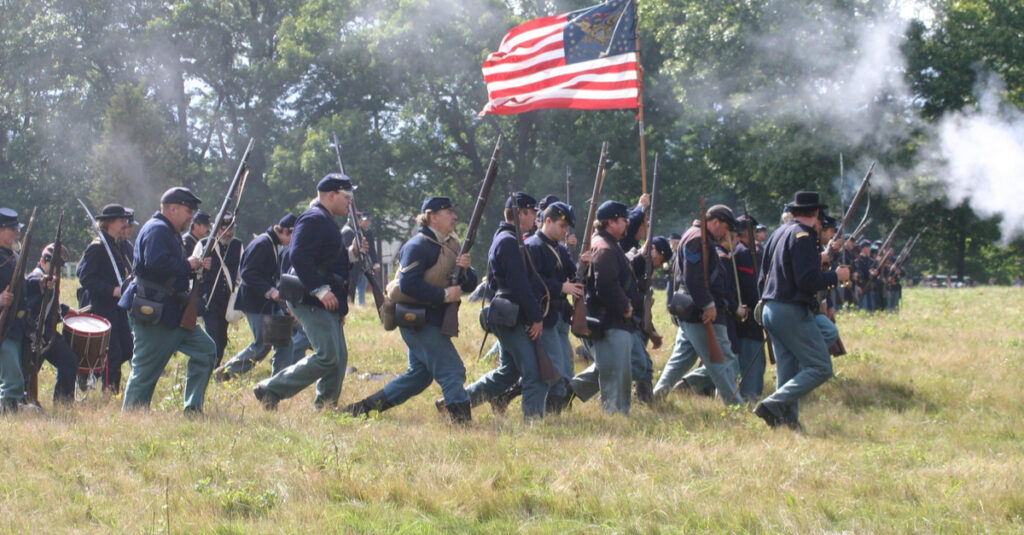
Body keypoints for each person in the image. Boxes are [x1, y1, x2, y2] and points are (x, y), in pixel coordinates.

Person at [342, 197, 478, 422]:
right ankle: (462, 424)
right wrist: (444, 295)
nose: (455, 217)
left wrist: (466, 269)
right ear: (432, 217)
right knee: (453, 371)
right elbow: (408, 284)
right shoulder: (418, 246)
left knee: (418, 377)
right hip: (418, 319)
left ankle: (360, 410)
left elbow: (469, 284)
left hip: (432, 318)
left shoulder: (451, 245)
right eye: (449, 212)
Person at [252, 174, 365, 411]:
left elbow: (329, 260)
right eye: (347, 197)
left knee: (338, 359)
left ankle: (325, 407)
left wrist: (352, 253)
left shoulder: (324, 219)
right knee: (327, 356)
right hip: (312, 298)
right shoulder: (313, 219)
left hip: (323, 299)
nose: (350, 203)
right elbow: (299, 256)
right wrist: (321, 290)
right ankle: (270, 389)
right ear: (331, 195)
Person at [753, 191, 850, 430]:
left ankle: (788, 421)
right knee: (821, 367)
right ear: (815, 213)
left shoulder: (778, 233)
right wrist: (835, 277)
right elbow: (806, 280)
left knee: (788, 369)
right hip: (790, 310)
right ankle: (772, 404)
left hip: (770, 307)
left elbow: (764, 276)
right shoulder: (804, 236)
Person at [118, 187, 216, 414]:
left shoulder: (168, 232)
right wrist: (188, 264)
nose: (192, 216)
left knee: (206, 351)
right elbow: (155, 263)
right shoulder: (158, 230)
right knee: (145, 371)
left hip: (173, 310)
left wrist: (195, 267)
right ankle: (132, 419)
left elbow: (169, 271)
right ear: (172, 209)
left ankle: (193, 408)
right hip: (155, 309)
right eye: (188, 210)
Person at [461, 193, 549, 419]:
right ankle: (534, 421)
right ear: (521, 214)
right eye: (532, 213)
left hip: (509, 313)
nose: (535, 218)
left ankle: (458, 402)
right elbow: (520, 285)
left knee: (509, 372)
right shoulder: (509, 242)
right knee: (535, 372)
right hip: (512, 313)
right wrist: (536, 317)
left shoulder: (509, 239)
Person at [652, 204, 743, 406]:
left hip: (693, 309)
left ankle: (656, 396)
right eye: (726, 227)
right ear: (716, 222)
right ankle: (736, 406)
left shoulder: (699, 237)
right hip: (701, 310)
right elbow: (693, 279)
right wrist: (708, 305)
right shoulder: (696, 239)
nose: (727, 233)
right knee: (721, 360)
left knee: (681, 360)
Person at [565, 201, 639, 414]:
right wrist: (624, 306)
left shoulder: (607, 244)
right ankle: (616, 418)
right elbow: (606, 285)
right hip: (610, 321)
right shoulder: (605, 248)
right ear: (611, 222)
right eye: (624, 220)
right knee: (615, 375)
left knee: (611, 370)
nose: (627, 224)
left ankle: (562, 395)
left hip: (612, 321)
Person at [215, 214, 296, 381]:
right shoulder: (262, 244)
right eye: (294, 236)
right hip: (254, 302)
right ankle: (225, 373)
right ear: (286, 231)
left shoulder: (271, 243)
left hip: (266, 303)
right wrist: (270, 291)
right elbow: (247, 274)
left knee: (284, 342)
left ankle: (278, 382)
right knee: (262, 344)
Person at [76, 203, 134, 392]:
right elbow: (86, 278)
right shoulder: (98, 246)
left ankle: (94, 375)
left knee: (127, 347)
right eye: (121, 220)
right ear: (109, 223)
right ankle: (110, 391)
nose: (125, 223)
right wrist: (112, 290)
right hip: (102, 306)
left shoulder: (121, 246)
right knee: (113, 352)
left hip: (119, 307)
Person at [24, 243, 78, 405]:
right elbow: (32, 286)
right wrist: (42, 282)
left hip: (49, 334)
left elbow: (50, 307)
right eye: (53, 265)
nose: (55, 270)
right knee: (28, 374)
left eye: (58, 266)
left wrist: (67, 310)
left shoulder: (52, 280)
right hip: (34, 335)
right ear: (42, 261)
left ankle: (63, 403)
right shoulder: (36, 278)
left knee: (69, 360)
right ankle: (25, 403)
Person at [194, 212, 243, 367]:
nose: (228, 233)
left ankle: (214, 369)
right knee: (213, 337)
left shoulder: (237, 245)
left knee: (222, 339)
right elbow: (193, 273)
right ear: (216, 229)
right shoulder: (203, 245)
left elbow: (242, 272)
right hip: (208, 300)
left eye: (231, 229)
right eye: (224, 229)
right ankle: (208, 368)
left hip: (226, 300)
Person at [732, 216, 767, 402]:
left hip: (749, 312)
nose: (756, 235)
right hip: (750, 313)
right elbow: (751, 287)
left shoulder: (747, 252)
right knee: (752, 357)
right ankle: (750, 396)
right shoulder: (744, 253)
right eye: (752, 232)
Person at [0, 208, 29, 412]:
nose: (17, 233)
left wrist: (41, 284)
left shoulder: (15, 256)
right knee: (12, 379)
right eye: (12, 229)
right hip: (3, 327)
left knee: (15, 375)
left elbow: (22, 288)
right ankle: (9, 417)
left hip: (15, 326)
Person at [342, 212, 380, 306]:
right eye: (358, 219)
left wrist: (375, 263)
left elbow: (370, 248)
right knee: (351, 286)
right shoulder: (347, 231)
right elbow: (350, 251)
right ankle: (350, 304)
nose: (359, 221)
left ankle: (359, 304)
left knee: (360, 285)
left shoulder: (358, 230)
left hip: (359, 264)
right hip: (351, 265)